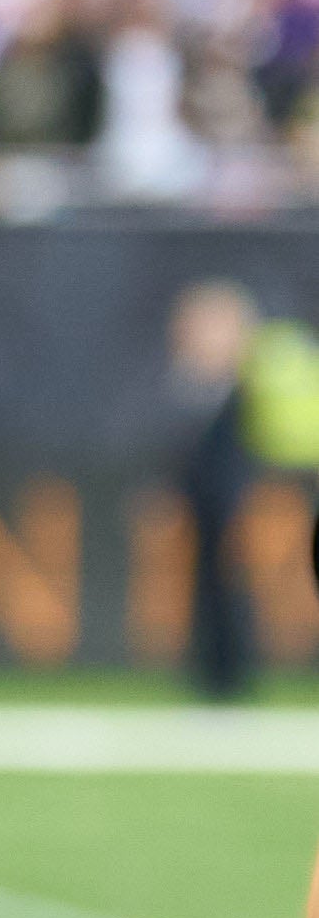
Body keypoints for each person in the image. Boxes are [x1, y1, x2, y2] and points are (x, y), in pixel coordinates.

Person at [168, 277, 260, 703]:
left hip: (236, 503)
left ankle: (231, 678)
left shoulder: (247, 389)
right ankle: (211, 677)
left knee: (231, 588)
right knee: (205, 588)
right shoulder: (184, 387)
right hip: (203, 504)